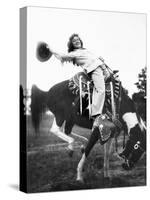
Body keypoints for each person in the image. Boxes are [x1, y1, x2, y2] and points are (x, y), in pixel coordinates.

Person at [49, 33, 109, 118]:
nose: (77, 41)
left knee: (110, 87)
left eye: (78, 39)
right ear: (72, 44)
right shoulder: (75, 53)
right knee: (101, 90)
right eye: (74, 41)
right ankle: (96, 113)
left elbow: (94, 58)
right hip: (95, 69)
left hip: (102, 68)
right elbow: (62, 56)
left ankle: (107, 110)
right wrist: (51, 50)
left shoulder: (85, 50)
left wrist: (101, 62)